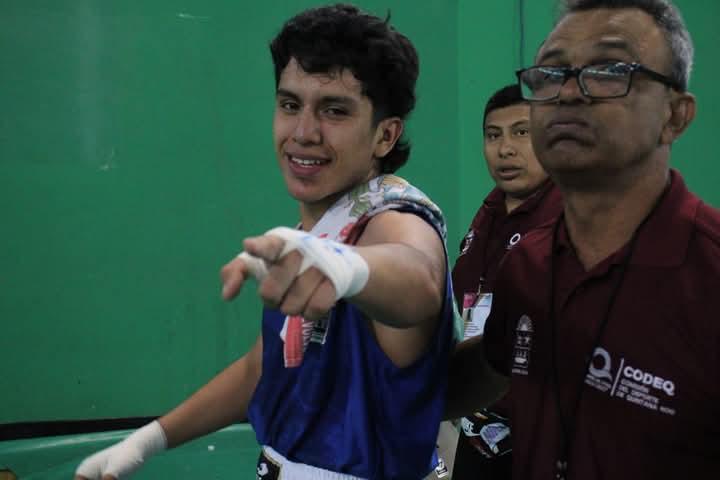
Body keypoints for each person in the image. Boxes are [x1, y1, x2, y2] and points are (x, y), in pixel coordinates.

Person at [75, 4, 455, 479]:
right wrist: (149, 440)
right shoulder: (316, 233)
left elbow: (418, 276)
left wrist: (346, 266)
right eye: (290, 105)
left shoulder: (393, 216)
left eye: (334, 110)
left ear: (385, 135)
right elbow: (261, 369)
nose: (304, 132)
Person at [448, 0, 720, 479]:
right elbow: (473, 376)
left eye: (609, 71)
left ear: (675, 116)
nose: (568, 94)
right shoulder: (527, 265)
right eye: (550, 75)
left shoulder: (709, 273)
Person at [450, 84, 562, 479]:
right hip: (478, 426)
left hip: (544, 437)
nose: (505, 149)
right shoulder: (489, 213)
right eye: (493, 135)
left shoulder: (572, 219)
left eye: (522, 132)